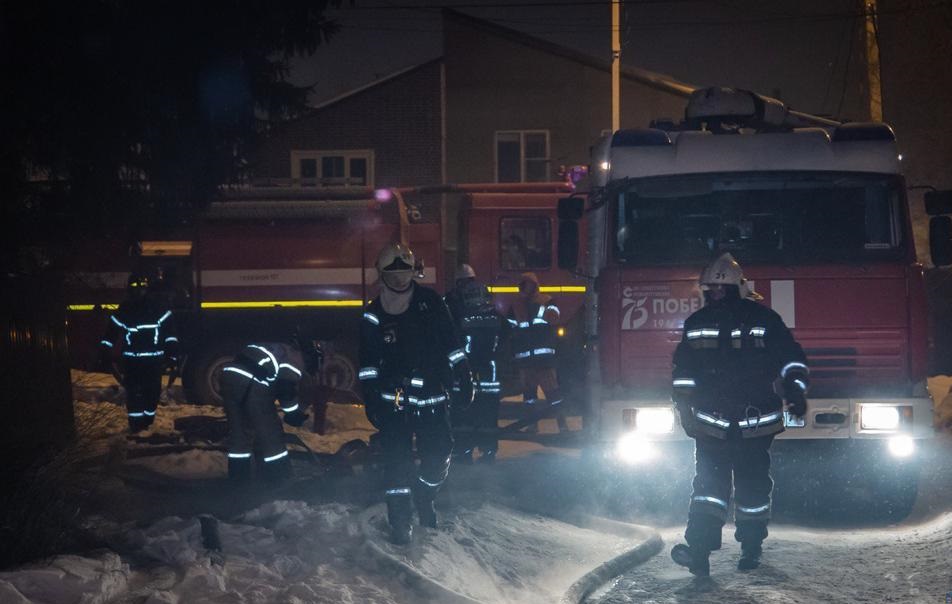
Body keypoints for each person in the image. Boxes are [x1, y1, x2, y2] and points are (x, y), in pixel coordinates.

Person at [669, 253, 809, 576]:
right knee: (720, 488)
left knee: (737, 488)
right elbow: (683, 373)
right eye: (711, 290)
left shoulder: (740, 321)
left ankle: (739, 548)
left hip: (736, 424)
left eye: (718, 290)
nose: (714, 295)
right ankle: (710, 551)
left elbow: (789, 358)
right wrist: (684, 407)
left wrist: (795, 390)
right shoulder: (713, 323)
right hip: (730, 424)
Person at [358, 243, 474, 544]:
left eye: (404, 273)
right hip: (393, 402)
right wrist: (370, 396)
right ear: (382, 275)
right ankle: (400, 520)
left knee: (439, 454)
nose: (399, 280)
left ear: (414, 271)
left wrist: (463, 372)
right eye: (393, 274)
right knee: (396, 462)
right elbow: (367, 360)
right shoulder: (373, 314)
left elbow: (451, 340)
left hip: (432, 397)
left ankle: (424, 495)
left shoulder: (430, 302)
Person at [219, 338, 317, 484]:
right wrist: (293, 413)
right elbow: (286, 390)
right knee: (271, 432)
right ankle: (278, 476)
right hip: (252, 382)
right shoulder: (294, 361)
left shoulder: (280, 349)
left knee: (240, 433)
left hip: (229, 378)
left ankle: (239, 478)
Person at [99, 272, 179, 432]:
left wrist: (172, 356)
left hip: (139, 362)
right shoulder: (149, 309)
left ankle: (143, 424)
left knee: (146, 393)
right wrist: (105, 351)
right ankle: (138, 426)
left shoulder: (136, 309)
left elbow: (170, 335)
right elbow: (111, 334)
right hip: (144, 362)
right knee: (141, 393)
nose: (139, 292)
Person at [444, 264, 504, 464]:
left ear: (459, 281)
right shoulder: (489, 305)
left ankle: (463, 451)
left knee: (463, 408)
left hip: (465, 366)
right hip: (490, 367)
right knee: (488, 410)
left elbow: (449, 335)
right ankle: (488, 451)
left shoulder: (453, 302)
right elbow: (505, 331)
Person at [506, 272, 567, 433]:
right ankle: (534, 426)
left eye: (526, 284)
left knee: (552, 394)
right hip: (528, 359)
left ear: (533, 285)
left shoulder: (546, 301)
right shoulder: (517, 305)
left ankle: (562, 425)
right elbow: (510, 328)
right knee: (530, 397)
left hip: (541, 359)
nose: (524, 288)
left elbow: (555, 317)